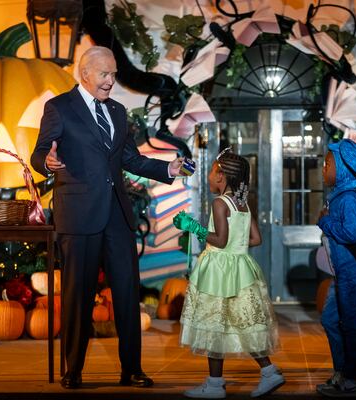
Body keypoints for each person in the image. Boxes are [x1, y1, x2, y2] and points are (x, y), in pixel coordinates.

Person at [30, 46, 185, 389]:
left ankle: (131, 369)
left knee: (127, 295)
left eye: (114, 74)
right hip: (79, 216)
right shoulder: (59, 108)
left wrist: (167, 168)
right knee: (77, 296)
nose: (111, 81)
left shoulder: (117, 111)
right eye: (105, 74)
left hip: (117, 214)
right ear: (85, 74)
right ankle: (73, 370)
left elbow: (130, 159)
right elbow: (40, 152)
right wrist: (48, 163)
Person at [173, 148, 284, 399]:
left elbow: (220, 241)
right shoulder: (242, 204)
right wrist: (237, 245)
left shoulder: (220, 203)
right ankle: (269, 372)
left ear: (221, 176)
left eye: (212, 172)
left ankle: (215, 385)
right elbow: (255, 239)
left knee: (214, 324)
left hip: (219, 270)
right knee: (243, 323)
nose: (210, 177)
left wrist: (193, 227)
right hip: (240, 269)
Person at [317, 139, 356, 398]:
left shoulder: (348, 198)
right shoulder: (340, 196)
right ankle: (342, 372)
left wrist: (325, 222)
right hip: (342, 275)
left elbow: (351, 233)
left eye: (327, 163)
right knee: (331, 319)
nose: (323, 168)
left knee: (351, 325)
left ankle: (352, 379)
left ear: (342, 167)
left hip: (352, 276)